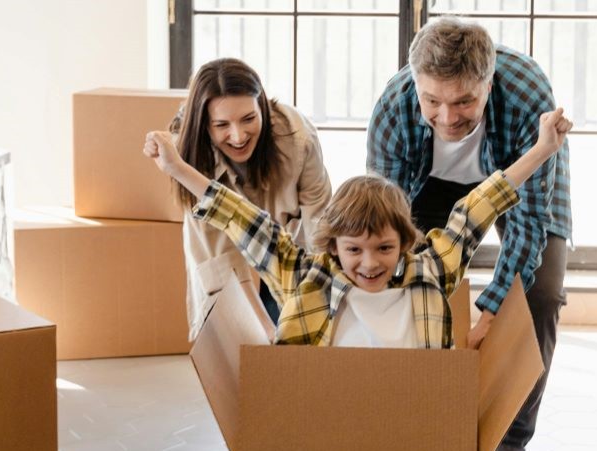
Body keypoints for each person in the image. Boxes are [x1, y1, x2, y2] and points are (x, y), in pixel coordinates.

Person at [143, 107, 570, 348]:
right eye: (354, 250)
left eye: (385, 248)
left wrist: (543, 149)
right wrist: (177, 168)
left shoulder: (431, 271)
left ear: (406, 243)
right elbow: (241, 216)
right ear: (333, 248)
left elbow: (478, 208)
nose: (369, 263)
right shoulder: (305, 278)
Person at [366, 17, 571, 449]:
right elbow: (385, 222)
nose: (446, 117)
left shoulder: (528, 97)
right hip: (428, 184)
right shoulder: (393, 108)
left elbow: (530, 220)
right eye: (432, 101)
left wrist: (493, 310)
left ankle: (510, 437)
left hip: (518, 177)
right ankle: (420, 417)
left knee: (542, 293)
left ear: (489, 83)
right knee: (407, 282)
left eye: (463, 102)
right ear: (416, 85)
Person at [159, 58, 332, 341]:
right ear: (204, 125)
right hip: (227, 265)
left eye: (249, 119)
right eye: (222, 124)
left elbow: (320, 224)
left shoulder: (299, 139)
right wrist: (265, 329)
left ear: (262, 106)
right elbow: (224, 255)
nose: (238, 136)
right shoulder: (187, 158)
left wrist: (323, 300)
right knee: (245, 343)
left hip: (285, 256)